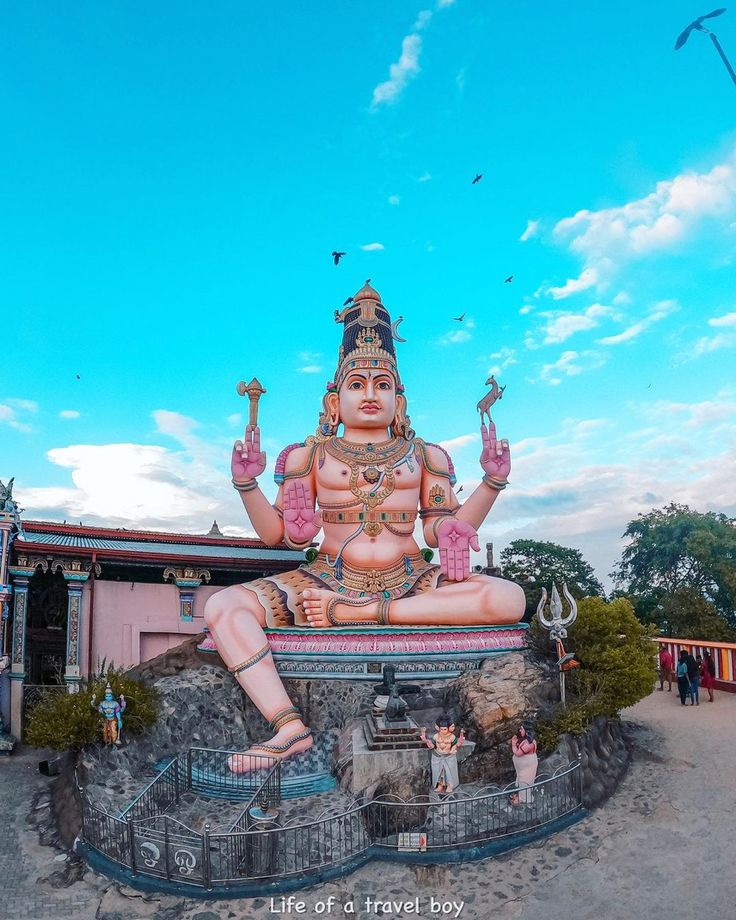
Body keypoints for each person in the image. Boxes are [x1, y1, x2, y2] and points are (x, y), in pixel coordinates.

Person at [204, 282, 525, 769]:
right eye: (357, 384)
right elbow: (284, 537)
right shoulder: (309, 455)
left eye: (382, 384)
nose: (370, 394)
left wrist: (491, 484)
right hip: (326, 578)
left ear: (400, 398)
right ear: (334, 400)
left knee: (509, 598)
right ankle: (288, 724)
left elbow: (444, 532)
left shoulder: (424, 455)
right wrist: (245, 484)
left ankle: (365, 614)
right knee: (223, 605)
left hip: (410, 579)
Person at [420, 716, 465, 794]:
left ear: (449, 729)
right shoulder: (436, 736)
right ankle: (440, 785)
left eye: (445, 729)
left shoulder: (452, 737)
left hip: (448, 756)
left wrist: (452, 750)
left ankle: (449, 785)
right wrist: (427, 740)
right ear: (438, 728)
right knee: (439, 772)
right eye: (441, 729)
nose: (443, 731)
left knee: (449, 772)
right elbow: (433, 745)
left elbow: (456, 745)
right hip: (438, 756)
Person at [510, 721, 538, 805]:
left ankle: (524, 798)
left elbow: (517, 753)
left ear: (526, 731)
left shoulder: (528, 744)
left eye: (522, 729)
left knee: (525, 781)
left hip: (527, 765)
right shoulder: (526, 741)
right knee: (521, 779)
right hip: (523, 766)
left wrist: (513, 744)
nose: (520, 730)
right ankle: (520, 795)